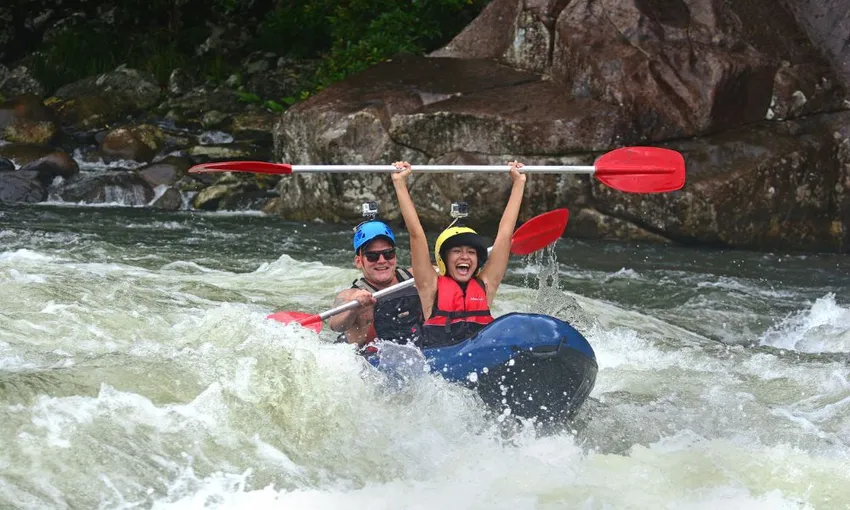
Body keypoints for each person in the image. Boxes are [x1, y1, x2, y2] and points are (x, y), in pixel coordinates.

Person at [391, 160, 526, 347]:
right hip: (439, 366)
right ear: (444, 259)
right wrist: (400, 183)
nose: (465, 256)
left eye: (471, 252)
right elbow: (416, 235)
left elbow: (504, 235)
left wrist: (519, 183)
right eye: (456, 251)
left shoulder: (486, 285)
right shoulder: (430, 287)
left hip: (478, 362)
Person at [328, 219, 424, 348]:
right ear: (358, 261)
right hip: (371, 360)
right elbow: (335, 324)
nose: (382, 260)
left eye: (388, 254)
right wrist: (353, 308)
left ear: (395, 256)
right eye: (372, 256)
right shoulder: (351, 295)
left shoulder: (417, 277)